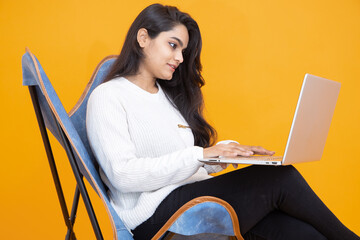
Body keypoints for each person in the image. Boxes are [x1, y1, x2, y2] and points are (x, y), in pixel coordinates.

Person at [86, 3, 359, 240]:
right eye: (173, 45)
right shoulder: (109, 96)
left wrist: (229, 152)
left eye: (183, 50)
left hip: (192, 201)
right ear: (143, 38)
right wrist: (201, 155)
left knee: (300, 233)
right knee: (280, 178)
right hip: (153, 220)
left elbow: (184, 162)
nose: (180, 58)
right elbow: (122, 175)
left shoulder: (166, 98)